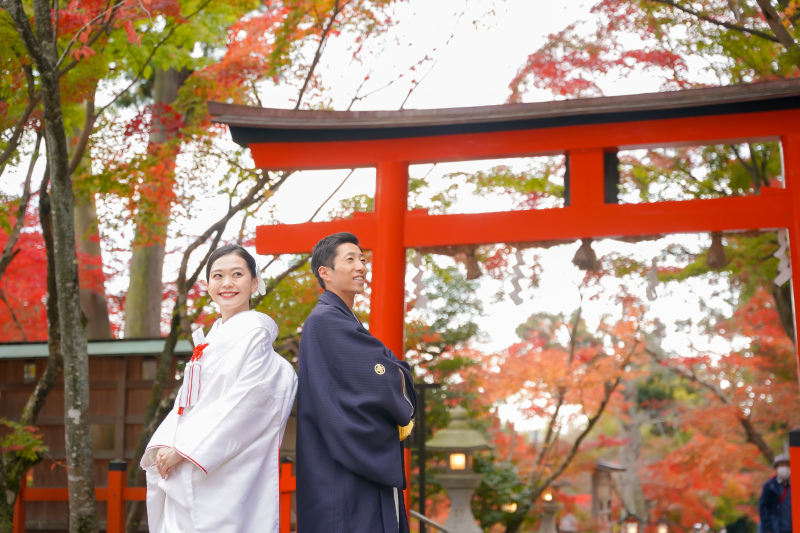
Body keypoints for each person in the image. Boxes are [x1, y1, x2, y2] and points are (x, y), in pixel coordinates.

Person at [140, 244, 298, 533]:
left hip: (223, 470)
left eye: (237, 274)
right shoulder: (210, 342)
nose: (227, 283)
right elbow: (185, 406)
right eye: (218, 276)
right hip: (189, 464)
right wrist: (167, 443)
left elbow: (245, 404)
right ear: (209, 285)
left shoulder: (255, 336)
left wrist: (186, 449)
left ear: (254, 282)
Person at [296, 232, 417, 533]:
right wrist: (399, 373)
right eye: (350, 259)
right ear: (325, 273)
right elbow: (388, 375)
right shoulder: (326, 321)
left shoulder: (340, 321)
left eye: (362, 259)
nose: (361, 266)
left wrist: (395, 371)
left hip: (348, 462)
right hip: (344, 471)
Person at [760, 453, 792, 533]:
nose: (785, 468)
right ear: (776, 468)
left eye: (787, 465)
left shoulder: (796, 485)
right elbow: (764, 508)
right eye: (781, 465)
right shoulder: (769, 486)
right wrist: (767, 529)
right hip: (776, 528)